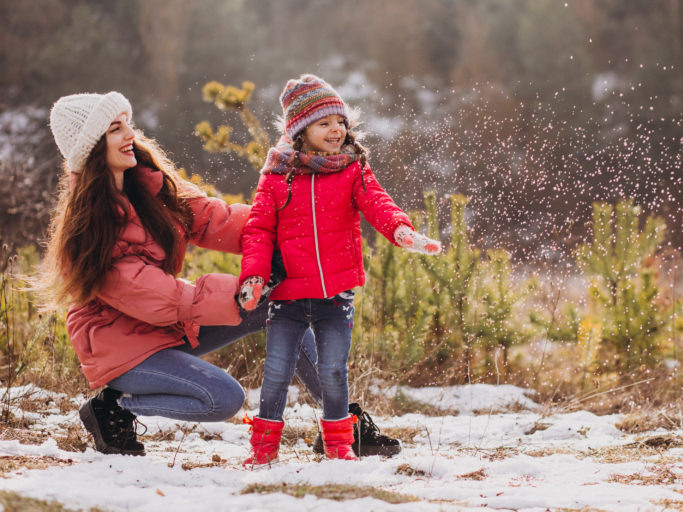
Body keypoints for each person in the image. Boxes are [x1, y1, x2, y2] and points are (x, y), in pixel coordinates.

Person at [39, 91, 400, 458]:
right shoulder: (90, 227)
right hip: (121, 348)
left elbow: (214, 219)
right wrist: (244, 290)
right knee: (222, 398)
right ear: (92, 149)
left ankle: (342, 421)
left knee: (283, 299)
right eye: (116, 129)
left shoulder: (149, 184)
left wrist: (285, 226)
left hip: (166, 326)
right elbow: (155, 296)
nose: (131, 134)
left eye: (127, 124)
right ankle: (113, 406)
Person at [237, 74, 441, 465]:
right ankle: (262, 449)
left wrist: (401, 230)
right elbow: (259, 230)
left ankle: (339, 445)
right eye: (324, 123)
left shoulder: (352, 168)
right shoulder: (277, 175)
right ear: (300, 130)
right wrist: (254, 278)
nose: (336, 130)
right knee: (276, 372)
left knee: (332, 370)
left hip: (335, 295)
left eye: (340, 122)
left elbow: (378, 202)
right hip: (287, 297)